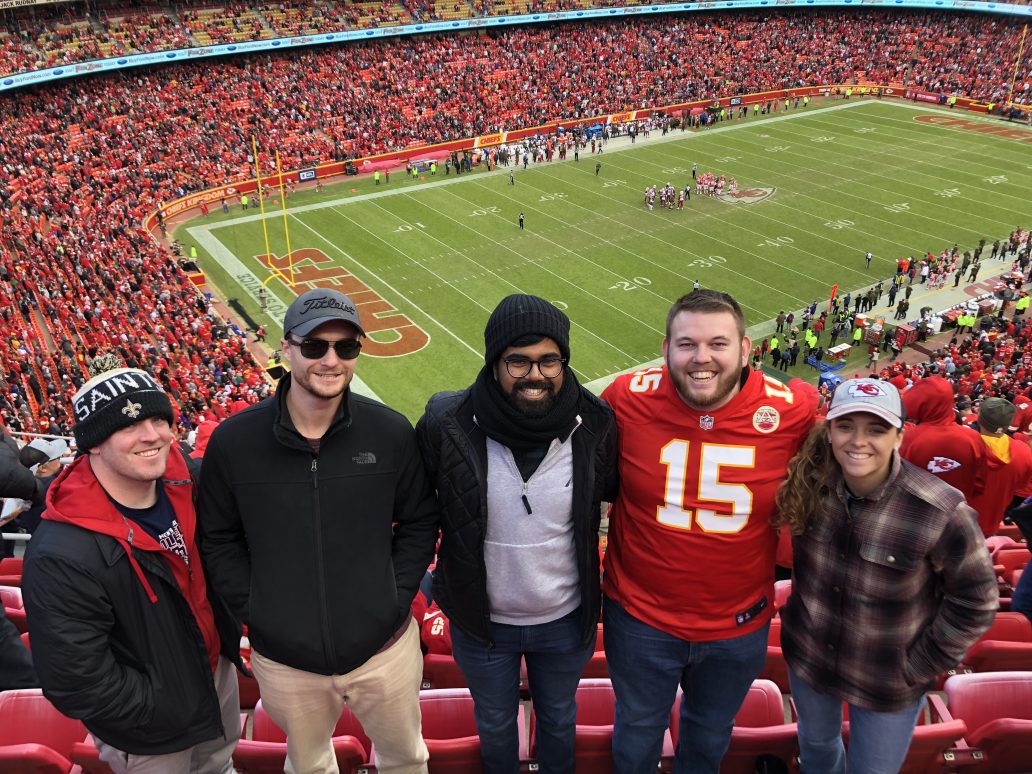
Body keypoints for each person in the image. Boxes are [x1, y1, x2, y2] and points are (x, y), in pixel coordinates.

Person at [198, 288, 438, 774]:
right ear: (286, 348)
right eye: (315, 346)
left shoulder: (390, 433)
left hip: (384, 651)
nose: (331, 360)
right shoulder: (234, 443)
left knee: (407, 759)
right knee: (308, 765)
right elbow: (218, 539)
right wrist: (259, 612)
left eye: (346, 348)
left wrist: (392, 597)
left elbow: (419, 520)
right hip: (286, 660)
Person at [601, 290, 818, 773]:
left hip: (737, 624)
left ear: (745, 349)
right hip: (640, 618)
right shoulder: (626, 397)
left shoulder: (793, 408)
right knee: (636, 733)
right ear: (665, 349)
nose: (702, 358)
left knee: (709, 736)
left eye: (718, 343)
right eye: (687, 344)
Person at [416, 294, 618, 773]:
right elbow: (421, 512)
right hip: (483, 624)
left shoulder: (596, 423)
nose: (535, 374)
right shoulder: (446, 425)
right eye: (519, 361)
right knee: (494, 724)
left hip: (566, 619)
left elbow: (610, 495)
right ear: (494, 363)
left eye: (550, 360)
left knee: (558, 720)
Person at [22, 356, 242, 773]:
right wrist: (160, 705)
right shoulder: (61, 551)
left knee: (219, 764)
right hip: (151, 725)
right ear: (93, 442)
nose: (151, 435)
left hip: (216, 674)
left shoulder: (190, 484)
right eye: (127, 425)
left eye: (159, 420)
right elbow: (74, 680)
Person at [774, 378, 997, 774]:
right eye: (846, 426)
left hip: (888, 678)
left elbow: (977, 600)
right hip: (810, 659)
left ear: (899, 436)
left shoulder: (940, 509)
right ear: (829, 432)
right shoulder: (807, 486)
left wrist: (920, 663)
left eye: (876, 429)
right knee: (816, 750)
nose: (858, 441)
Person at [898, 376, 986, 503]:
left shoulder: (908, 440)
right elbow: (979, 485)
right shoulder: (973, 438)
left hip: (916, 515)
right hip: (958, 512)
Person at [965, 397, 1032, 537]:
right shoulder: (1024, 451)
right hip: (991, 525)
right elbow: (1020, 486)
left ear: (980, 418)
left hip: (957, 524)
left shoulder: (962, 445)